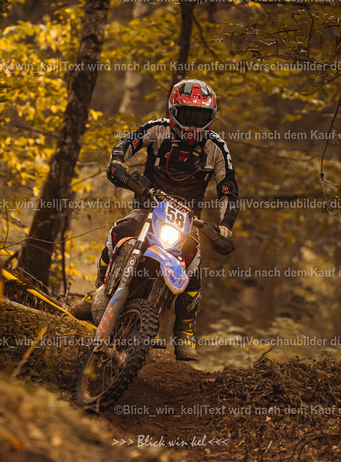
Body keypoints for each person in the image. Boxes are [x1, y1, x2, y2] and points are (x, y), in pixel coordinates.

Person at [70, 79, 239, 361]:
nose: (193, 123)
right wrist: (118, 162)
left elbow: (228, 189)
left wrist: (225, 226)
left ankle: (184, 331)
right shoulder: (157, 129)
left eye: (200, 116)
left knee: (193, 263)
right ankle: (96, 291)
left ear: (210, 117)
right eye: (188, 114)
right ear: (174, 111)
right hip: (148, 207)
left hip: (187, 220)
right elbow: (127, 142)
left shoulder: (216, 147)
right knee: (118, 232)